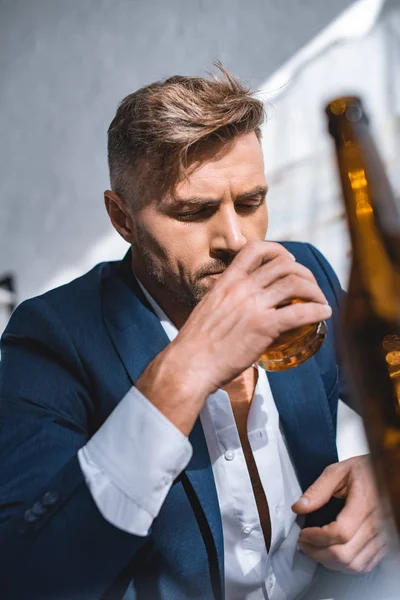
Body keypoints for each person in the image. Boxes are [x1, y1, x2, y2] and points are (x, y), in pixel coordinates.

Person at [0, 65, 387, 600]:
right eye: (194, 211)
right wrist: (187, 369)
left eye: (251, 202)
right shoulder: (51, 338)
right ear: (122, 218)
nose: (235, 238)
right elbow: (31, 577)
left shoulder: (304, 272)